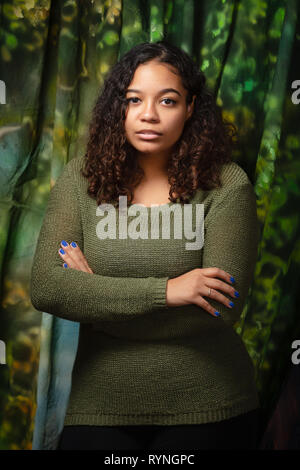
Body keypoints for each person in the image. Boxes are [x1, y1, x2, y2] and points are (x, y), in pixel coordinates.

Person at [30, 40, 261, 450]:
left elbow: (223, 308)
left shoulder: (227, 185)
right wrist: (170, 291)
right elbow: (48, 287)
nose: (148, 114)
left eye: (167, 100)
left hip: (210, 402)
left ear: (190, 107)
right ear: (117, 106)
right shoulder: (80, 180)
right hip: (99, 401)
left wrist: (95, 297)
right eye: (133, 99)